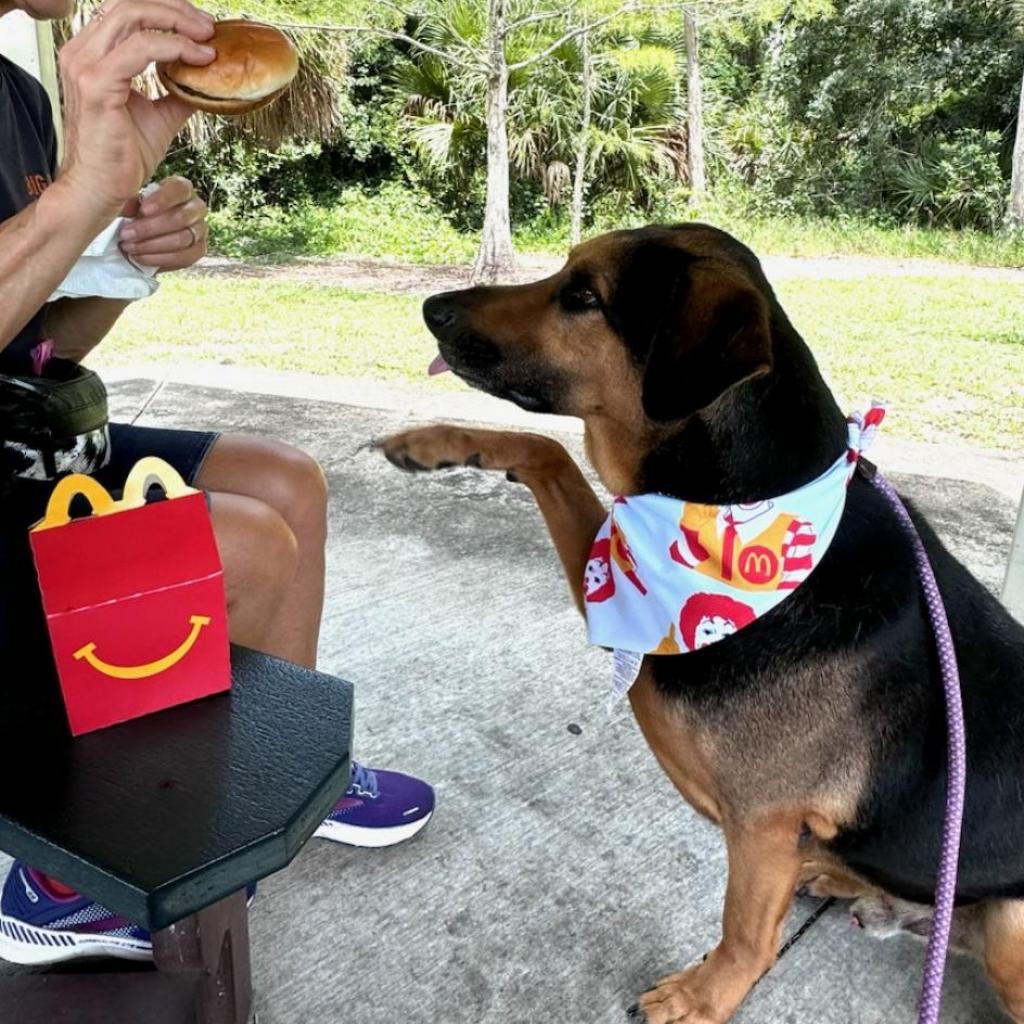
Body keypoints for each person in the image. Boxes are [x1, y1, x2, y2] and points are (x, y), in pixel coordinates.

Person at [0, 0, 433, 965]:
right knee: (240, 546)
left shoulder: (20, 95)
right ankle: (63, 874)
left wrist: (117, 263)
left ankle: (296, 777)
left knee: (286, 483)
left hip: (38, 440)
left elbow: (38, 349)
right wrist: (76, 198)